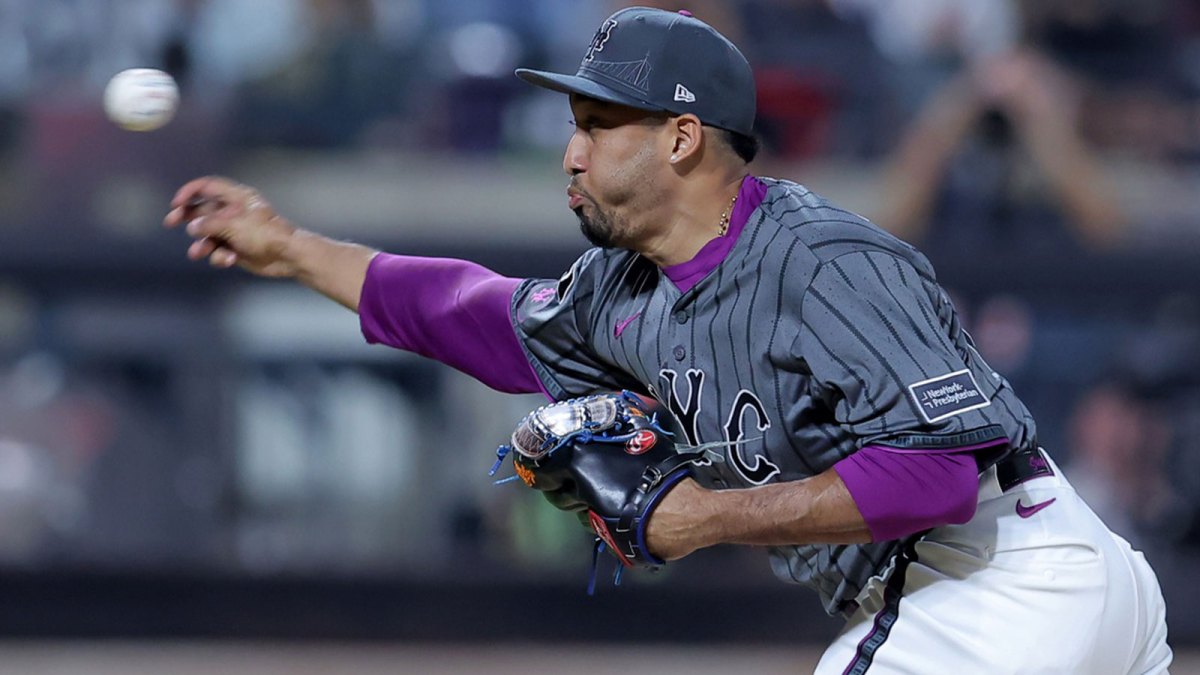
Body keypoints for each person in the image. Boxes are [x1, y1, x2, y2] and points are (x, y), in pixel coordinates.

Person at [164, 7, 1171, 673]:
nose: (570, 151)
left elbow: (941, 476)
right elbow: (474, 311)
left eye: (600, 125)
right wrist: (291, 248)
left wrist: (701, 520)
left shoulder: (821, 259)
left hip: (1007, 577)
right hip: (1020, 598)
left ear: (682, 137)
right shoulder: (623, 289)